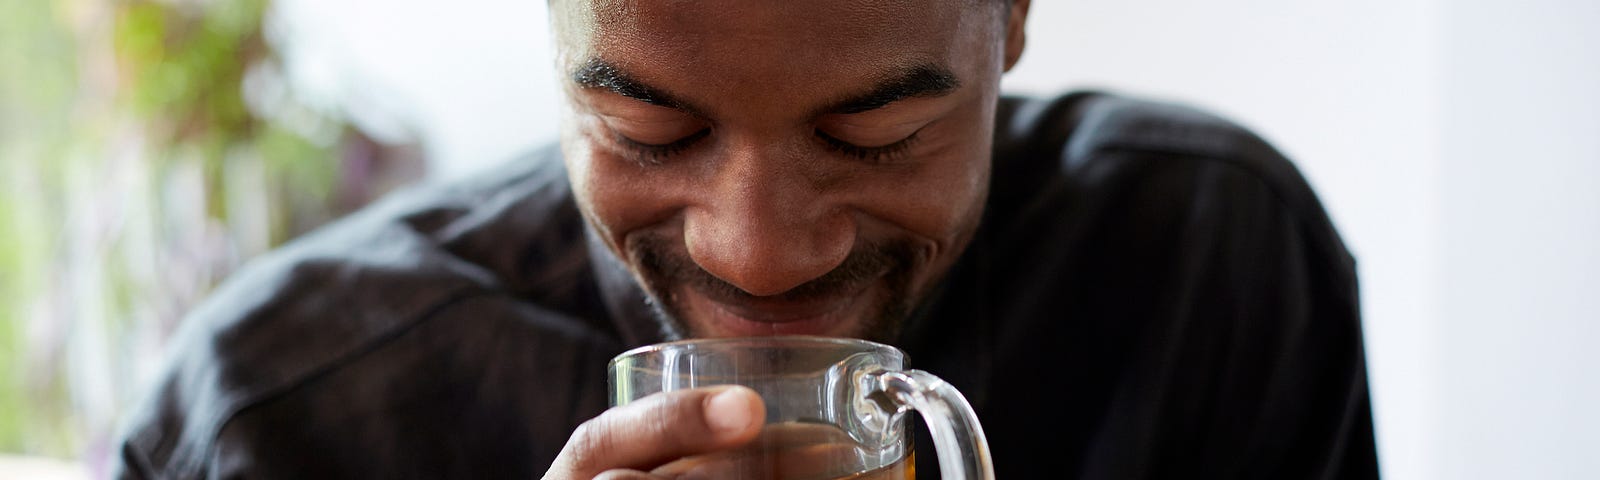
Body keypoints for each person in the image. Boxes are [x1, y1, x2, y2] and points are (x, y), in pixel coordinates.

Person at [113, 0, 1380, 478]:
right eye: (646, 129)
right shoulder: (268, 422)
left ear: (1011, 21)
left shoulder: (1213, 257)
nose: (761, 256)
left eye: (875, 137)